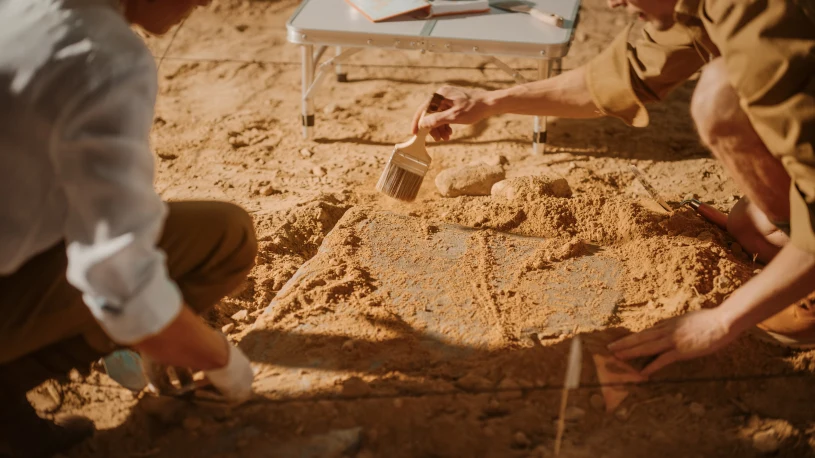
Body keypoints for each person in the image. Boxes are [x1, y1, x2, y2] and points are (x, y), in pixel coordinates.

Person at [412, 0, 815, 376]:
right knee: (751, 226)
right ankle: (795, 245)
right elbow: (624, 74)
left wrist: (722, 320)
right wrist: (488, 102)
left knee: (720, 96)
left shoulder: (765, 28)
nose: (612, 3)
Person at [0, 0, 258, 456]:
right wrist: (219, 359)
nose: (206, 2)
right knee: (226, 238)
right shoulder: (101, 51)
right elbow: (118, 278)